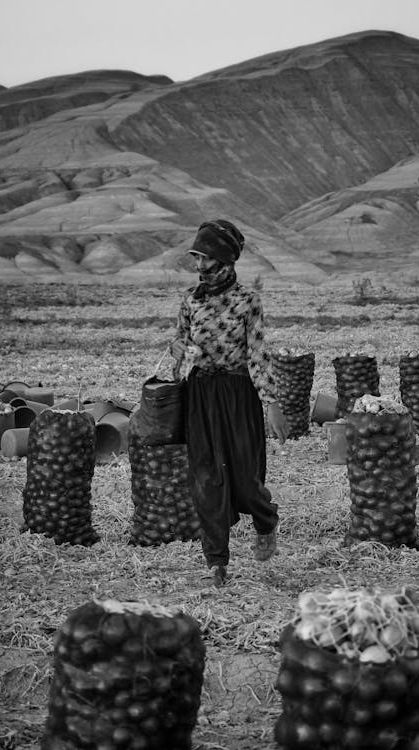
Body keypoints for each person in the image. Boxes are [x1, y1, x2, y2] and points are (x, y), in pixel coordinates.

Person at [170, 219, 289, 586]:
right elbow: (177, 345)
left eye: (206, 258)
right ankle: (216, 562)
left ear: (225, 262)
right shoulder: (190, 300)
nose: (199, 266)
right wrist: (182, 353)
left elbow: (257, 354)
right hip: (200, 397)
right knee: (206, 479)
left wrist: (272, 404)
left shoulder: (247, 302)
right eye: (196, 258)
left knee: (245, 478)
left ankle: (265, 518)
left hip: (238, 396)